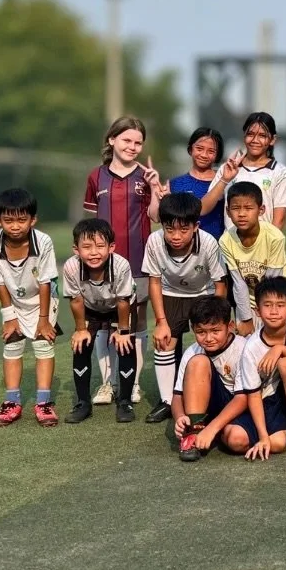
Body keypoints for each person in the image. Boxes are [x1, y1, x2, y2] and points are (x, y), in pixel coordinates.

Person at [83, 115, 161, 406]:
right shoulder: (96, 177)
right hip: (102, 265)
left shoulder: (146, 175)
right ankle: (108, 384)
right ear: (112, 140)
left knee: (136, 322)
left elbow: (155, 217)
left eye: (138, 142)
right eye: (127, 140)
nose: (132, 146)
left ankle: (133, 383)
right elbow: (91, 225)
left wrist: (155, 189)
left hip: (139, 261)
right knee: (104, 324)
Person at [143, 191, 228, 424]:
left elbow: (220, 283)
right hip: (172, 293)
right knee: (164, 340)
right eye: (170, 229)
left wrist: (217, 316)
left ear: (196, 226)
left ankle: (213, 394)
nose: (176, 236)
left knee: (211, 340)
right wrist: (161, 323)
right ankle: (168, 401)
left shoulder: (209, 242)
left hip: (205, 294)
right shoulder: (154, 241)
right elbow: (154, 281)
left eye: (183, 229)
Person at [0, 188, 60, 427]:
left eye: (21, 220)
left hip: (43, 299)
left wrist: (44, 319)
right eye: (8, 220)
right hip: (14, 301)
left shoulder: (43, 241)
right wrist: (9, 317)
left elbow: (46, 282)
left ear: (33, 220)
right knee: (13, 343)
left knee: (42, 344)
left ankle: (44, 403)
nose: (15, 226)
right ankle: (12, 402)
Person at [61, 217, 137, 424]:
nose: (94, 252)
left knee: (125, 345)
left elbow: (123, 300)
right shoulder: (71, 267)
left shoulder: (121, 265)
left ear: (111, 247)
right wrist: (80, 329)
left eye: (100, 246)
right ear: (76, 249)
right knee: (81, 345)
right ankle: (83, 403)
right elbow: (76, 300)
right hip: (90, 307)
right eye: (86, 247)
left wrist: (122, 332)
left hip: (119, 306)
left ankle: (125, 401)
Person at [234, 277, 286, 459]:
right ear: (257, 311)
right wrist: (263, 436)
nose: (273, 311)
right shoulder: (251, 348)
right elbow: (254, 395)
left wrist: (282, 350)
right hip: (269, 397)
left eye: (280, 305)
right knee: (278, 443)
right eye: (267, 305)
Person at [171, 297, 248, 462]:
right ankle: (193, 432)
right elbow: (177, 396)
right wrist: (179, 417)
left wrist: (213, 428)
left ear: (230, 327)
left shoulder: (244, 349)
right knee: (199, 362)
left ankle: (212, 429)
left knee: (237, 441)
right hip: (208, 405)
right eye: (201, 332)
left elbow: (244, 399)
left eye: (215, 330)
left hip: (238, 405)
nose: (208, 338)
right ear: (193, 329)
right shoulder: (192, 351)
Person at [219, 181, 286, 329]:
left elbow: (273, 281)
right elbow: (238, 283)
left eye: (249, 208)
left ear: (261, 209)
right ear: (227, 211)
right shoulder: (226, 240)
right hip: (246, 303)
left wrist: (268, 312)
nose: (242, 214)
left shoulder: (275, 237)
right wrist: (246, 319)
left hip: (275, 299)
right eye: (236, 208)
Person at [219, 111, 286, 231]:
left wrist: (268, 246)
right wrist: (224, 178)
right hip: (231, 245)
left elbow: (279, 219)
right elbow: (207, 206)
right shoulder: (229, 168)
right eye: (250, 134)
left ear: (272, 140)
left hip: (263, 245)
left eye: (262, 136)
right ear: (244, 136)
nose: (255, 140)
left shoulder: (279, 172)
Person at [169, 127, 228, 240]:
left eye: (211, 151)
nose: (204, 155)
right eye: (199, 148)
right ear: (191, 149)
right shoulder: (175, 184)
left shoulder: (225, 184)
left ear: (217, 154)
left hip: (217, 248)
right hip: (184, 250)